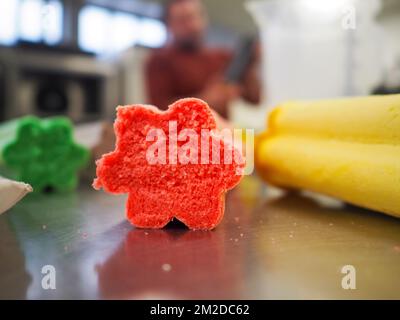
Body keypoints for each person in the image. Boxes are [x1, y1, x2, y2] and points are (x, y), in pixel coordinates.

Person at [145, 0, 261, 119]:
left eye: (195, 16)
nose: (192, 25)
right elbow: (158, 111)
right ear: (169, 25)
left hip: (221, 133)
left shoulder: (223, 57)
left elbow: (254, 99)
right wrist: (207, 100)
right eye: (183, 20)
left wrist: (251, 64)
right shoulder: (159, 61)